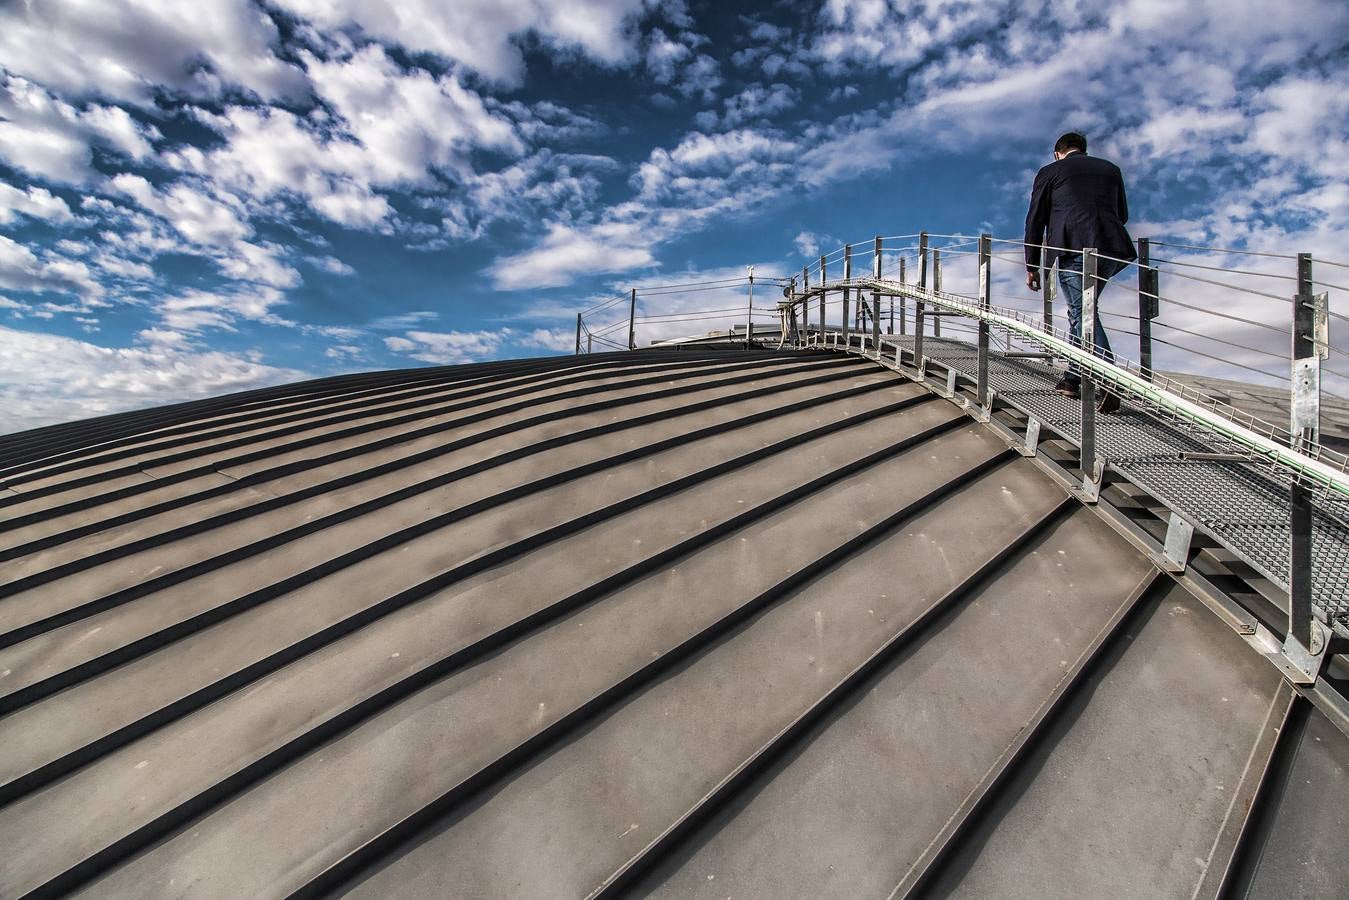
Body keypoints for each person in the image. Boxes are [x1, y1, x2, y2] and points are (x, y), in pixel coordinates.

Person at [1024, 132, 1135, 413]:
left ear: (1056, 153)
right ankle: (1072, 380)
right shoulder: (1111, 169)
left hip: (1074, 249)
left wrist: (1031, 265)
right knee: (1080, 312)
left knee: (1082, 313)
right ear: (1083, 150)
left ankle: (1109, 378)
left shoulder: (1050, 172)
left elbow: (1035, 219)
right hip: (1111, 248)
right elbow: (1122, 214)